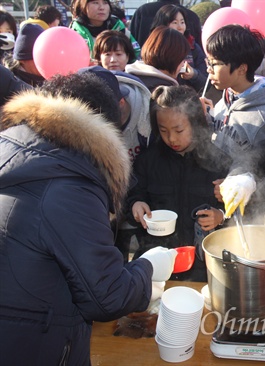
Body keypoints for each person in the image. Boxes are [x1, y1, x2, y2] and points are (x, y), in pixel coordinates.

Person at [0, 72, 177, 365]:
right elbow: (107, 297)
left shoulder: (15, 148)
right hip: (34, 344)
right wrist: (147, 269)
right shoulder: (69, 184)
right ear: (100, 130)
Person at [127, 85, 229, 282]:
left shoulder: (218, 160)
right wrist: (135, 204)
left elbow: (239, 213)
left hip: (203, 266)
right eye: (163, 130)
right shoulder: (148, 161)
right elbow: (133, 194)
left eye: (179, 130)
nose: (171, 138)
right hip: (156, 258)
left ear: (196, 123)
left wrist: (221, 216)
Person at [205, 24, 265, 221]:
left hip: (254, 217)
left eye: (215, 64)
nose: (208, 70)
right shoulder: (225, 97)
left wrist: (240, 190)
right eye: (208, 62)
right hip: (221, 210)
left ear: (241, 69)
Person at [150, 4, 207, 93]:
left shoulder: (193, 47)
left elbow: (206, 82)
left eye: (182, 22)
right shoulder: (154, 46)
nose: (180, 27)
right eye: (175, 23)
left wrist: (194, 74)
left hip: (187, 100)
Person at [69, 0, 140, 60]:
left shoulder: (118, 27)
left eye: (105, 3)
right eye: (95, 3)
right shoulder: (75, 31)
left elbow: (136, 53)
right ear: (83, 6)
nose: (101, 8)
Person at [125, 26, 189, 93]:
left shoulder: (130, 77)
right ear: (172, 57)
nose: (183, 64)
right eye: (182, 58)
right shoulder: (164, 92)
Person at [130, 0, 201, 48]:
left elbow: (132, 42)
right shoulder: (192, 16)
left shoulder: (143, 11)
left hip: (144, 65)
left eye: (182, 22)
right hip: (186, 67)